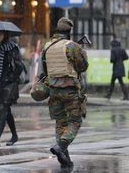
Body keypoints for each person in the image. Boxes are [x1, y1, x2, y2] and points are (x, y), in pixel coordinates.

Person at [40, 17, 89, 169]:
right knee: (75, 121)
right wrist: (82, 52)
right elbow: (83, 67)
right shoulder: (72, 46)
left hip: (54, 91)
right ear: (69, 31)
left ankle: (65, 158)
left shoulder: (46, 47)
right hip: (70, 90)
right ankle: (61, 146)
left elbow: (45, 70)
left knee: (60, 122)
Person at [0, 31, 24, 147]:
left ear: (5, 35)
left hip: (9, 83)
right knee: (6, 111)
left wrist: (10, 78)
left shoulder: (12, 47)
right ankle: (14, 135)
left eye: (0, 34)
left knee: (3, 108)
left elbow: (19, 66)